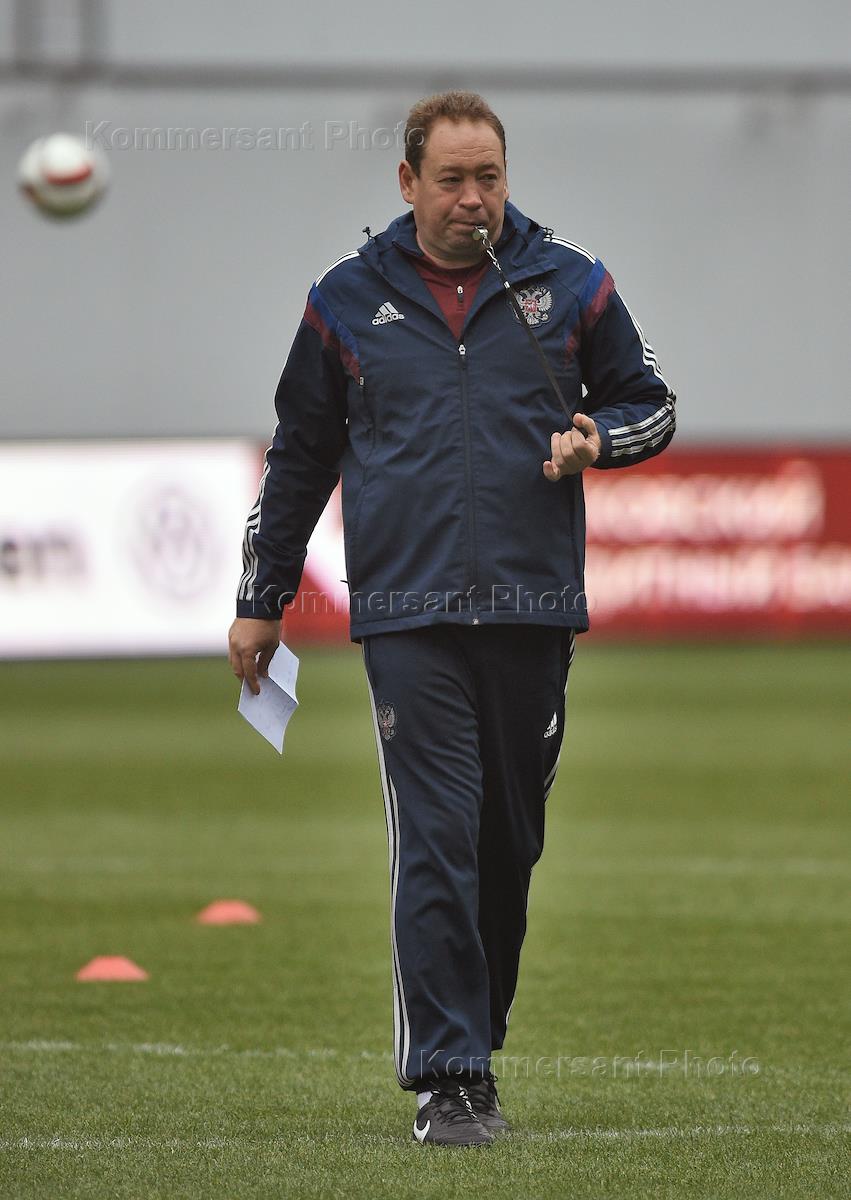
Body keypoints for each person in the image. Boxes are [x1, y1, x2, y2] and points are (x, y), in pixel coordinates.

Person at [228, 91, 676, 1147]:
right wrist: (261, 598)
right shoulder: (345, 298)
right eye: (451, 179)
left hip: (532, 606)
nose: (472, 198)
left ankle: (474, 1035)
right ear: (407, 182)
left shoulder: (570, 282)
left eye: (488, 178)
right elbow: (298, 458)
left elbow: (650, 403)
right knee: (434, 837)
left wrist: (597, 442)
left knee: (504, 847)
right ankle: (449, 1075)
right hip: (406, 612)